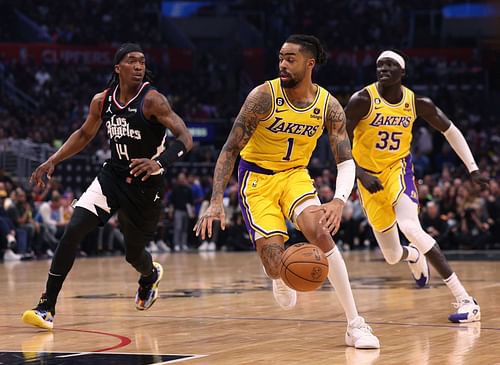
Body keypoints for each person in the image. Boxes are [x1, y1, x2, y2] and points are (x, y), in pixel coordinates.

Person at [195, 34, 380, 349]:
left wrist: (337, 200)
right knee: (275, 263)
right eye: (280, 57)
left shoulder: (328, 106)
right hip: (257, 180)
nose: (282, 63)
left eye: (290, 58)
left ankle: (355, 324)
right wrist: (215, 202)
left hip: (295, 175)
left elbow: (346, 161)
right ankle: (278, 274)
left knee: (320, 231)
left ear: (309, 63)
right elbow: (229, 150)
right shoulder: (262, 97)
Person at [22, 43, 193, 330]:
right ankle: (46, 307)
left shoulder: (153, 101)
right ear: (118, 67)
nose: (139, 66)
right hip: (112, 177)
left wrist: (159, 163)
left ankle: (149, 275)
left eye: (142, 62)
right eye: (132, 61)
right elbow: (84, 133)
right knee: (73, 229)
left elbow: (185, 138)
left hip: (145, 185)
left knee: (133, 253)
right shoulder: (102, 101)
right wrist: (53, 160)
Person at [344, 49, 489, 323]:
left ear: (402, 72)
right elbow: (338, 139)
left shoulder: (417, 103)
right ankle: (413, 255)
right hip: (368, 177)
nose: (383, 69)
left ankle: (465, 300)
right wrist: (359, 173)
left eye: (389, 65)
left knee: (410, 227)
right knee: (390, 255)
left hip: (398, 170)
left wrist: (473, 168)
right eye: (379, 65)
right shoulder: (361, 100)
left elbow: (451, 130)